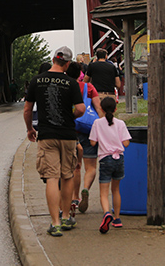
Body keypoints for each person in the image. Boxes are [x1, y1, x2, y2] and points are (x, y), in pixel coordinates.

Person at [23, 46, 85, 237]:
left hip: (47, 135)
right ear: (67, 63)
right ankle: (66, 217)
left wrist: (30, 129)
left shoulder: (36, 80)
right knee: (67, 176)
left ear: (52, 59)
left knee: (52, 177)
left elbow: (27, 109)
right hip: (67, 135)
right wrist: (70, 117)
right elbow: (81, 109)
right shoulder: (71, 82)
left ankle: (55, 223)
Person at [66, 61, 103, 216]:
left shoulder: (65, 87)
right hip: (89, 129)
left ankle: (74, 198)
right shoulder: (88, 88)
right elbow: (99, 108)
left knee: (75, 166)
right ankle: (85, 189)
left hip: (71, 129)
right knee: (91, 166)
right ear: (81, 72)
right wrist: (104, 127)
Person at [90, 97, 131, 233]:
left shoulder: (97, 123)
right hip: (119, 159)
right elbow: (126, 143)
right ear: (115, 109)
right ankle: (117, 219)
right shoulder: (120, 123)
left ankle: (107, 213)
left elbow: (92, 142)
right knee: (116, 190)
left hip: (105, 159)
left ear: (101, 109)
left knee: (103, 192)